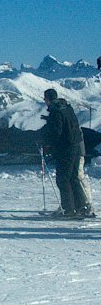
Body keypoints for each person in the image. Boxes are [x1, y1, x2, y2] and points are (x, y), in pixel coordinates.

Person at [41, 88, 95, 217]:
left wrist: (46, 141)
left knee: (63, 179)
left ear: (48, 99)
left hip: (66, 149)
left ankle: (68, 209)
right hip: (76, 147)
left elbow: (57, 132)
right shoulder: (66, 108)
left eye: (45, 99)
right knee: (73, 178)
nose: (45, 102)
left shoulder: (56, 111)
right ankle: (81, 206)